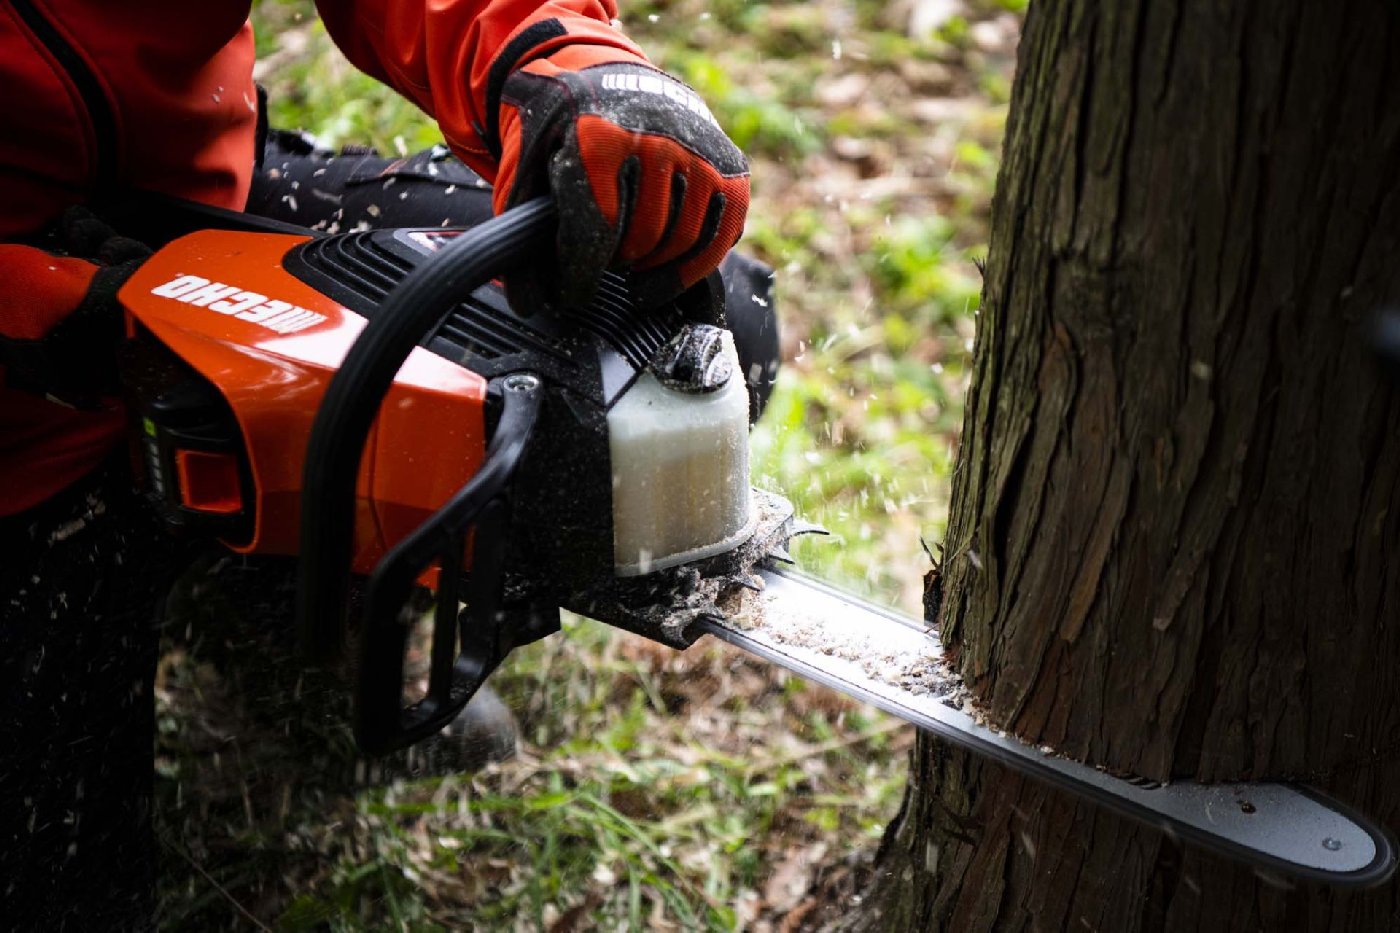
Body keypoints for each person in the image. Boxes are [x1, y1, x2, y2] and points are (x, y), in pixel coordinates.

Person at [0, 1, 776, 927]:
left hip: (185, 198)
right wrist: (51, 313)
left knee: (647, 319)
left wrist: (551, 50)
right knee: (65, 885)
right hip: (20, 445)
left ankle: (288, 624)